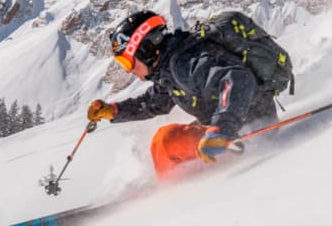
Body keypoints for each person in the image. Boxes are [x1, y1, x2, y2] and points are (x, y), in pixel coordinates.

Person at [87, 10, 278, 178]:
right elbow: (153, 103)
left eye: (127, 62)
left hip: (248, 136)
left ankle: (176, 192)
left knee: (165, 141)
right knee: (168, 144)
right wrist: (114, 111)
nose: (129, 70)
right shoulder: (170, 69)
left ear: (145, 49)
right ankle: (177, 182)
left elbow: (238, 78)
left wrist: (222, 128)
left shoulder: (186, 63)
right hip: (229, 135)